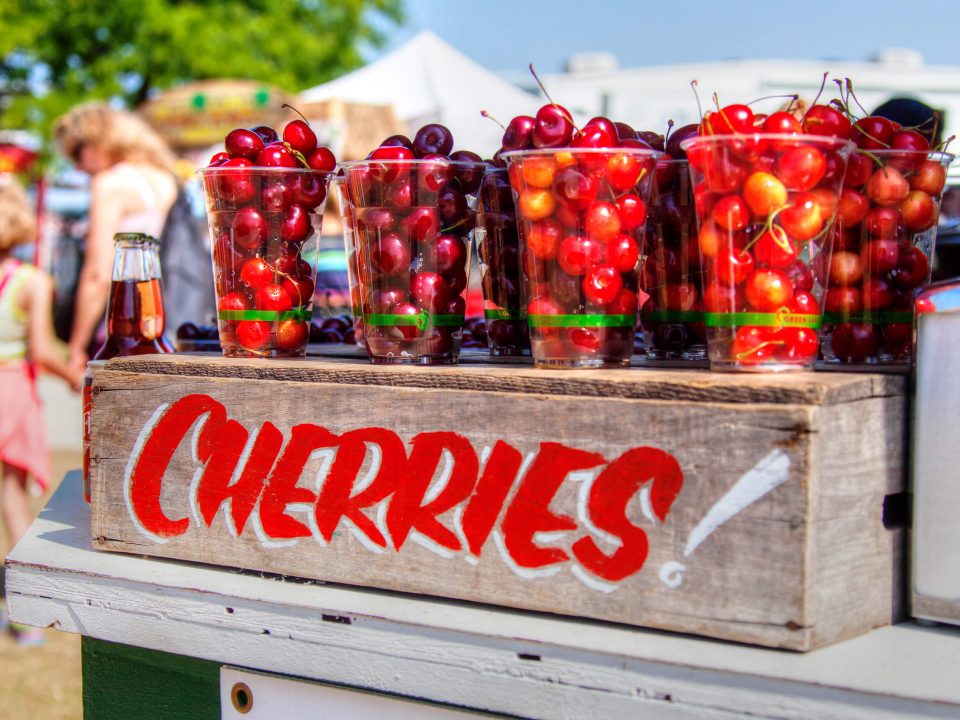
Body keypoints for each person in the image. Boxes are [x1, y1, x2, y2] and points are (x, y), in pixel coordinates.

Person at [0, 179, 83, 644]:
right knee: (13, 499)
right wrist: (73, 374)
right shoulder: (32, 281)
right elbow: (40, 350)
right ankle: (24, 615)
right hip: (10, 390)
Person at [53, 102, 178, 372]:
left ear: (99, 140)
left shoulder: (110, 184)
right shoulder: (166, 178)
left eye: (77, 152)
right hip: (166, 327)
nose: (77, 166)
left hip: (125, 329)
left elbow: (98, 276)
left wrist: (76, 346)